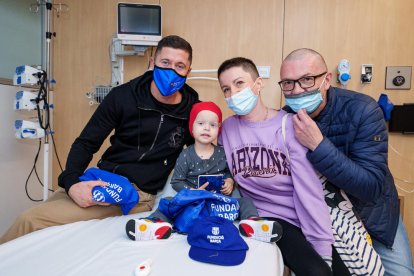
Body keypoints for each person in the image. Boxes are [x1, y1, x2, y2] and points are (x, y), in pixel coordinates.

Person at [0, 35, 199, 244]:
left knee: (31, 221)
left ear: (188, 72)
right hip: (102, 179)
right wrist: (72, 183)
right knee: (35, 218)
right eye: (165, 63)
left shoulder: (192, 111)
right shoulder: (123, 96)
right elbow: (86, 143)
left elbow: (201, 154)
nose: (171, 72)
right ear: (152, 63)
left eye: (179, 66)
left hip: (135, 195)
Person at [279, 48, 414, 275]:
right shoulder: (285, 119)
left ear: (327, 80)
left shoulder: (363, 110)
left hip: (371, 212)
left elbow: (370, 187)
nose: (297, 90)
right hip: (321, 215)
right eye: (288, 83)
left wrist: (318, 145)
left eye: (307, 80)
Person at [217, 57, 335, 275]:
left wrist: (321, 246)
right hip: (267, 219)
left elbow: (308, 190)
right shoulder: (227, 129)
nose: (233, 93)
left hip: (302, 215)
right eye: (226, 89)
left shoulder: (290, 125)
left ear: (258, 84)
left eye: (239, 83)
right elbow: (220, 170)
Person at [125, 101, 282, 243]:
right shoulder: (186, 155)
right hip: (193, 202)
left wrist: (230, 182)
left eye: (213, 125)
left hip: (218, 204)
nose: (207, 128)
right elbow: (176, 181)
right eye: (201, 123)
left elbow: (228, 172)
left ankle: (253, 223)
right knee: (167, 202)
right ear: (192, 127)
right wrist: (192, 192)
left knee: (245, 201)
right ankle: (155, 224)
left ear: (218, 130)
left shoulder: (222, 153)